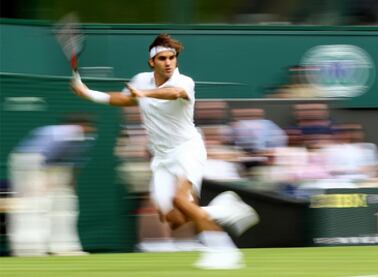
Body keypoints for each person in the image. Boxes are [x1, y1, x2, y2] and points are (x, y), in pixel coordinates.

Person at [71, 33, 259, 269]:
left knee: (180, 199)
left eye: (172, 58)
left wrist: (144, 95)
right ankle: (224, 209)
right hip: (161, 157)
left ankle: (224, 251)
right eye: (162, 58)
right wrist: (88, 93)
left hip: (187, 149)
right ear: (152, 62)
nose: (168, 63)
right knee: (174, 219)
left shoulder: (185, 82)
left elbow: (173, 94)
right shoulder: (141, 80)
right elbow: (123, 99)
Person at [7, 114, 95, 256]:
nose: (90, 129)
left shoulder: (81, 136)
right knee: (34, 205)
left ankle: (64, 247)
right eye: (88, 126)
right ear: (79, 125)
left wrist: (69, 184)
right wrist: (40, 182)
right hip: (32, 161)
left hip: (52, 165)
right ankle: (29, 249)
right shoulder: (68, 133)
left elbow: (73, 163)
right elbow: (45, 156)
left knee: (64, 207)